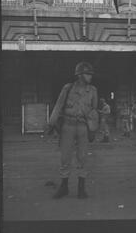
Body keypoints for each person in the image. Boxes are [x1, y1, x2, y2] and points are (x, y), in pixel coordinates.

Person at [46, 62, 98, 199]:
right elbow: (59, 105)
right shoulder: (67, 88)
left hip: (83, 126)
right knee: (65, 157)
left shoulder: (93, 90)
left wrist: (93, 129)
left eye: (91, 74)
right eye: (88, 74)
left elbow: (93, 111)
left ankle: (81, 189)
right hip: (67, 126)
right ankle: (64, 188)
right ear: (80, 75)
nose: (90, 77)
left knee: (83, 157)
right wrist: (51, 123)